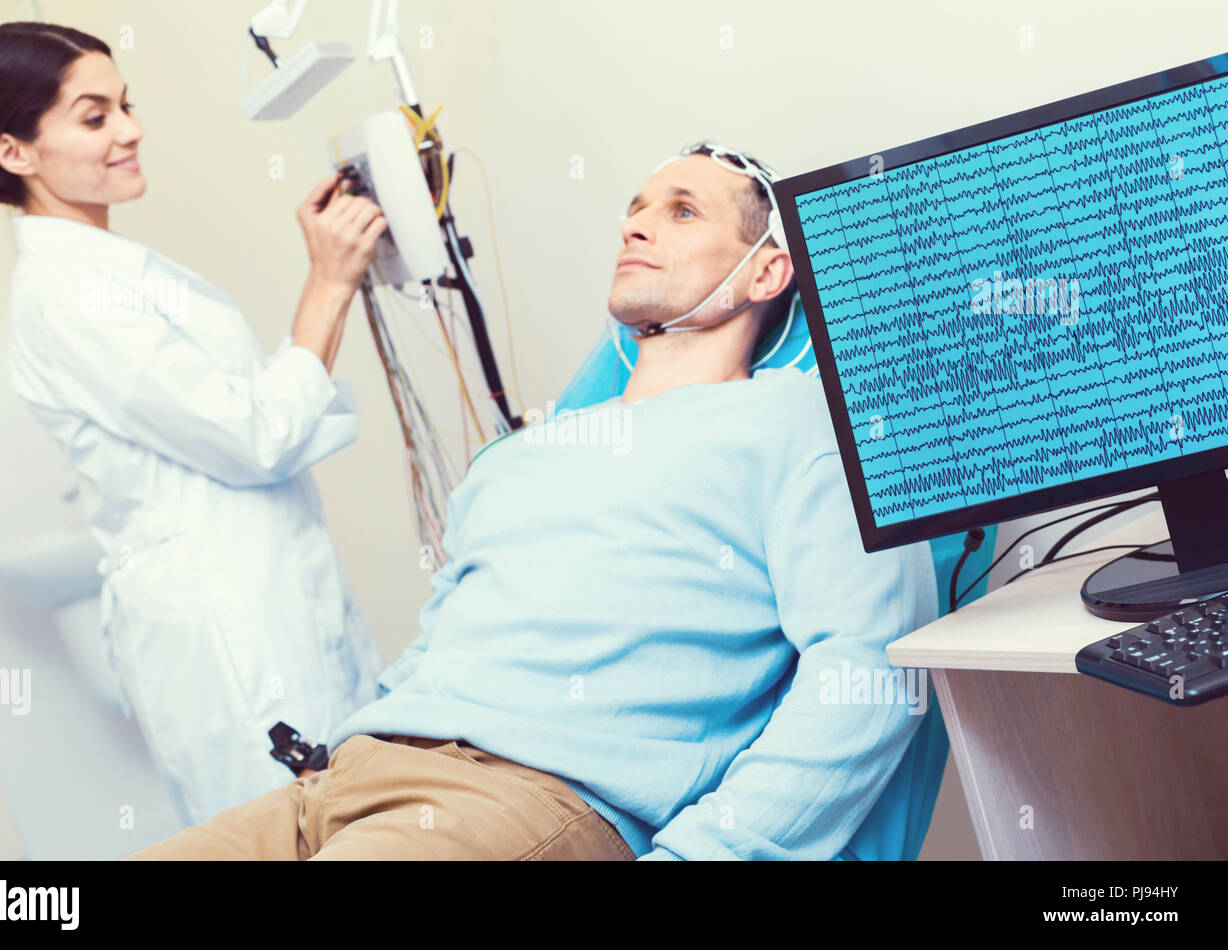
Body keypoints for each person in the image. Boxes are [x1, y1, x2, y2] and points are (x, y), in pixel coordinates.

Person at [125, 137, 939, 861]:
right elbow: (439, 638)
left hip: (521, 797)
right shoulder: (514, 461)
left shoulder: (801, 423)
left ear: (765, 270)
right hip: (340, 780)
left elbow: (868, 672)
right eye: (634, 210)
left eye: (682, 211)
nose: (636, 226)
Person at [0, 21, 388, 825]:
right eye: (95, 117)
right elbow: (254, 435)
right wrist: (327, 283)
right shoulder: (69, 296)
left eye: (127, 105)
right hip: (225, 625)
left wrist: (332, 286)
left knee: (348, 822)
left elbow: (246, 419)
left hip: (260, 590)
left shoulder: (109, 269)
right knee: (295, 833)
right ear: (16, 152)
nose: (131, 129)